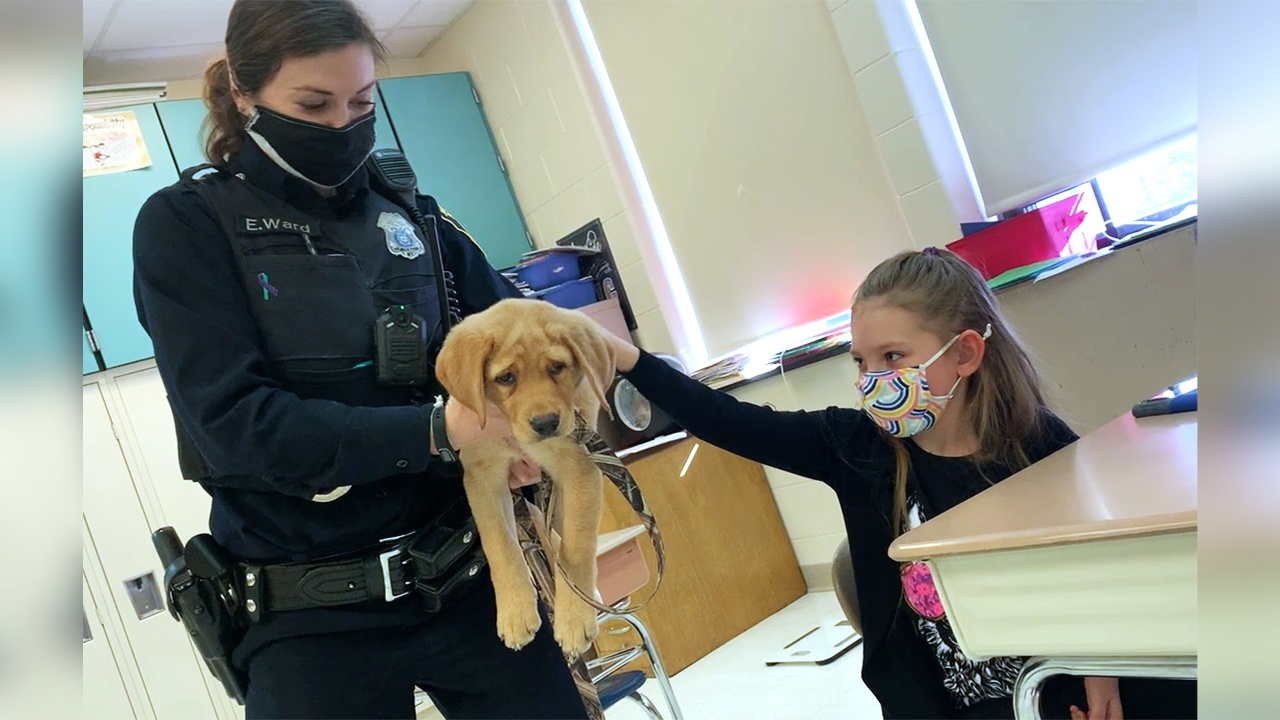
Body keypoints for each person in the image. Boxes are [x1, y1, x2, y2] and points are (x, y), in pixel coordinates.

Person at [131, 1, 585, 718]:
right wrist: (438, 432)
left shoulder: (413, 213)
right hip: (307, 614)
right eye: (312, 104)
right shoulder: (185, 226)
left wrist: (526, 432)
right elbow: (237, 428)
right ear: (244, 97)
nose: (343, 125)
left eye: (362, 101)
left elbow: (526, 338)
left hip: (470, 582)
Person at [603, 247, 1194, 720]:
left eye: (892, 356)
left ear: (963, 354)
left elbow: (1096, 568)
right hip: (951, 701)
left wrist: (1101, 666)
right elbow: (722, 418)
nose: (873, 380)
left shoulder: (1037, 443)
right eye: (861, 361)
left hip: (1059, 678)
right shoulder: (856, 448)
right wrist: (628, 359)